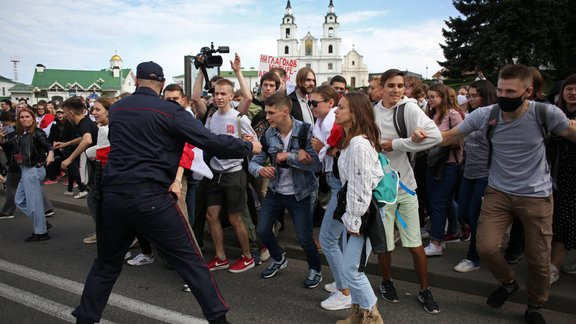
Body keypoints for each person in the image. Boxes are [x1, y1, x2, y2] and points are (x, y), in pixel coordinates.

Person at [71, 61, 260, 324]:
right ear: (161, 85)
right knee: (192, 264)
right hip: (151, 198)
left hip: (112, 198)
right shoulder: (168, 111)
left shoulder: (120, 108)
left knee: (105, 265)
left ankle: (85, 319)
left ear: (136, 81)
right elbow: (208, 141)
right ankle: (219, 320)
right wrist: (248, 148)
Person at [440, 64, 576, 324]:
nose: (503, 95)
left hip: (536, 196)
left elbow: (571, 134)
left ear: (529, 91)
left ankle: (535, 305)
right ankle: (508, 282)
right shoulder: (486, 114)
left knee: (538, 260)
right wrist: (408, 139)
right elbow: (448, 136)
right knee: (487, 247)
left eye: (510, 91)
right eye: (500, 89)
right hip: (498, 192)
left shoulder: (545, 113)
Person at [373, 69, 442, 314]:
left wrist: (398, 144)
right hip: (382, 189)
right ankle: (387, 281)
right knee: (386, 245)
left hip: (406, 188)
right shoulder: (372, 112)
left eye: (401, 86)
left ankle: (425, 290)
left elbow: (436, 137)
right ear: (381, 87)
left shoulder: (409, 109)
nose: (396, 90)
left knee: (415, 245)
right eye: (391, 85)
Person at [248, 92, 323, 288]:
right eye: (266, 112)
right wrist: (260, 169)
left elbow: (316, 165)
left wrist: (286, 157)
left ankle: (315, 269)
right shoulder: (268, 134)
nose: (267, 117)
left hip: (301, 193)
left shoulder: (306, 130)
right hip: (276, 190)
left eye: (271, 113)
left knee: (304, 237)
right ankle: (279, 257)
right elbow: (253, 162)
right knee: (262, 230)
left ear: (286, 111)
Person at [203, 54, 258, 274]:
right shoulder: (211, 117)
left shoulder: (239, 118)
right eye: (216, 93)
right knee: (211, 216)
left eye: (223, 94)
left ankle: (247, 257)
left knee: (235, 218)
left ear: (231, 96)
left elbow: (256, 144)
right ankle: (221, 257)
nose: (218, 97)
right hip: (215, 174)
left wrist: (247, 144)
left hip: (234, 174)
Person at [334, 92, 384, 324]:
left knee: (351, 270)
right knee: (350, 269)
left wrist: (355, 221)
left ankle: (372, 317)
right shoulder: (353, 141)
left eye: (341, 107)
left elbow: (361, 186)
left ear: (354, 113)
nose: (336, 110)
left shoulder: (358, 144)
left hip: (362, 214)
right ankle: (357, 313)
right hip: (354, 212)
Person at [309, 85, 351, 310]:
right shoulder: (321, 123)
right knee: (338, 239)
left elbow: (336, 151)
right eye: (310, 103)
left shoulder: (335, 124)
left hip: (340, 185)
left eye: (315, 103)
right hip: (336, 183)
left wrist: (323, 147)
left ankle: (345, 292)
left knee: (327, 239)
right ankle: (342, 282)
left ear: (331, 103)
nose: (312, 106)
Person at [453, 80, 497, 273]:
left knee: (474, 214)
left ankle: (474, 258)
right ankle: (488, 241)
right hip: (468, 171)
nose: (469, 99)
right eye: (468, 95)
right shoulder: (470, 115)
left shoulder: (494, 117)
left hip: (486, 174)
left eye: (474, 96)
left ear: (485, 95)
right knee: (462, 213)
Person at [0, 108, 55, 241]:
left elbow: (48, 145)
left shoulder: (37, 132)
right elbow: (10, 149)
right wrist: (1, 140)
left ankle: (40, 233)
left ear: (33, 118)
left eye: (27, 116)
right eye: (22, 117)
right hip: (25, 170)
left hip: (34, 170)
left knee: (34, 203)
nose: (24, 119)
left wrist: (51, 154)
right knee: (19, 200)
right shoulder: (21, 134)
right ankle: (41, 223)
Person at [424, 83, 464, 256]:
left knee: (438, 202)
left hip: (448, 164)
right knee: (440, 201)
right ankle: (449, 233)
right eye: (429, 97)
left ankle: (436, 242)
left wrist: (435, 140)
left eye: (433, 97)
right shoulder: (431, 114)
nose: (430, 100)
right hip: (432, 162)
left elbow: (460, 139)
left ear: (442, 96)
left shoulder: (453, 114)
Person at [549, 73, 576, 284]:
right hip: (553, 176)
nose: (573, 92)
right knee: (557, 221)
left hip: (571, 179)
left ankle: (553, 267)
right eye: (569, 88)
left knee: (564, 222)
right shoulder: (554, 114)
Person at [82, 97, 114, 245]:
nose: (93, 112)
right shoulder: (104, 128)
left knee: (94, 201)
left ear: (108, 112)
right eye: (93, 109)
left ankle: (106, 234)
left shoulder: (108, 129)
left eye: (97, 109)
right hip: (105, 173)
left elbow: (105, 152)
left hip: (108, 174)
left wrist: (88, 153)